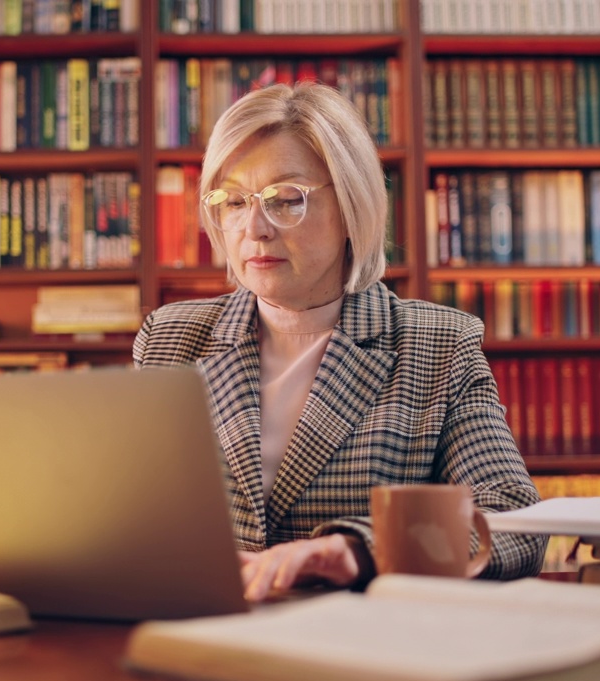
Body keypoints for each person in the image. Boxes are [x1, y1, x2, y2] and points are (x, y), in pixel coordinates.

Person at [133, 82, 546, 601]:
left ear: (352, 208)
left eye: (286, 200)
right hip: (201, 637)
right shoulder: (169, 339)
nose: (253, 228)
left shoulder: (439, 345)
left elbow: (513, 519)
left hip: (364, 648)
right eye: (233, 201)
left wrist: (360, 552)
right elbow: (132, 514)